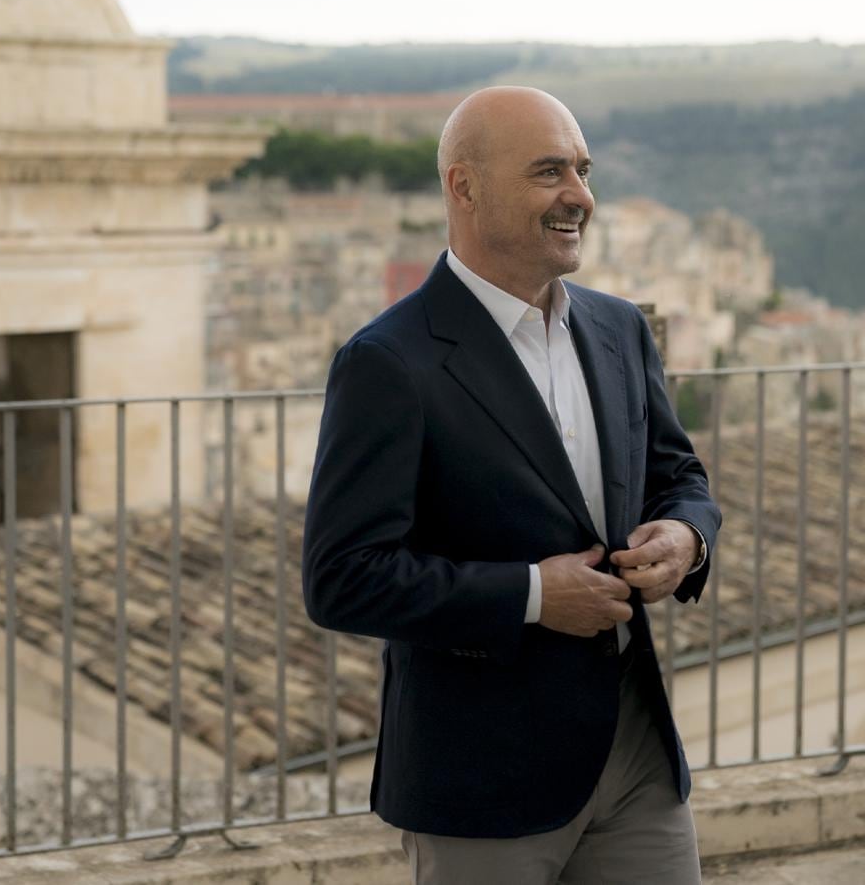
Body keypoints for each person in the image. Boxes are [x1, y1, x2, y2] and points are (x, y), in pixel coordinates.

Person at [301, 86, 721, 884]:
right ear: (464, 187)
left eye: (583, 170)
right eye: (548, 171)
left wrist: (686, 536)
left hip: (635, 751)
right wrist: (532, 595)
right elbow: (341, 578)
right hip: (480, 776)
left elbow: (679, 476)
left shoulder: (620, 328)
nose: (580, 195)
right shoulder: (388, 362)